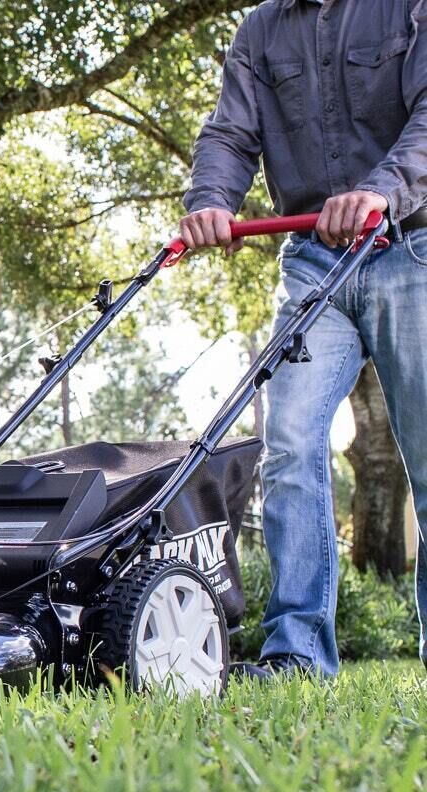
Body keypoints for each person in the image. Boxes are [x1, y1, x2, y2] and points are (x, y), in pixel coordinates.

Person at [180, 0, 427, 679]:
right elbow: (230, 136)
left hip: (412, 250)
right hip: (316, 263)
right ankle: (298, 653)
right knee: (288, 439)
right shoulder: (260, 31)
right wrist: (210, 202)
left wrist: (379, 190)